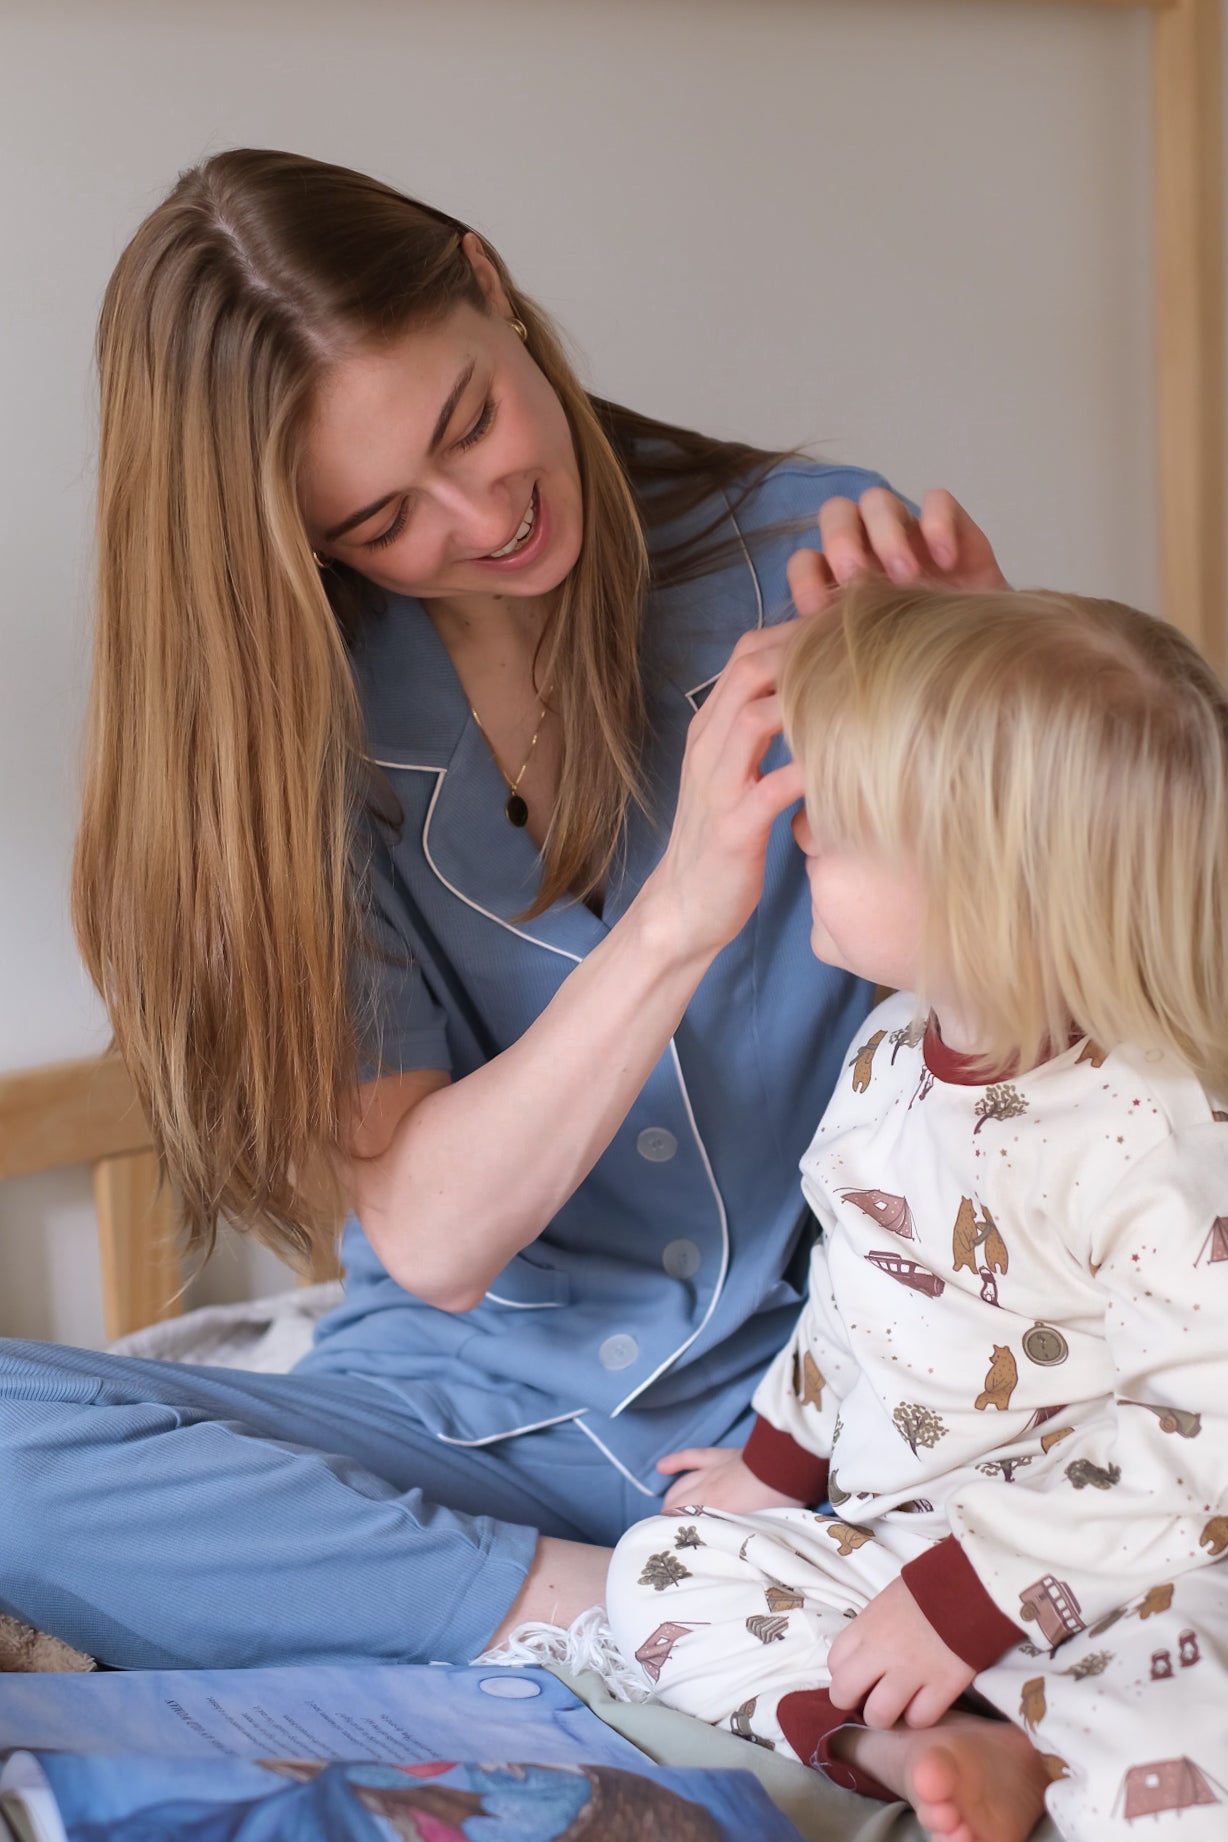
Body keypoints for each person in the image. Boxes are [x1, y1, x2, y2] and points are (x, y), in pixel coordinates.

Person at [0, 149, 1006, 1672]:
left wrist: (1010, 745)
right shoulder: (294, 741)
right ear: (295, 540)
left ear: (487, 283)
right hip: (470, 1428)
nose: (481, 514)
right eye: (380, 517)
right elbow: (435, 1240)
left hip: (835, 1416)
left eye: (469, 420)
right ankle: (595, 1614)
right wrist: (679, 914)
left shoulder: (814, 562)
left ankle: (650, 1613)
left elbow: (1066, 1004)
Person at [606, 576, 1228, 1842]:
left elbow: (1200, 1422)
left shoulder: (1143, 1128)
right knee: (659, 1575)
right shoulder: (889, 1052)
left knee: (1170, 1751)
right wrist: (778, 1466)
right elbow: (858, 1292)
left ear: (990, 887)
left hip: (1128, 1563)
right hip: (915, 1544)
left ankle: (1028, 1751)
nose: (802, 836)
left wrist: (984, 1588)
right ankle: (920, 1750)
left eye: (839, 820)